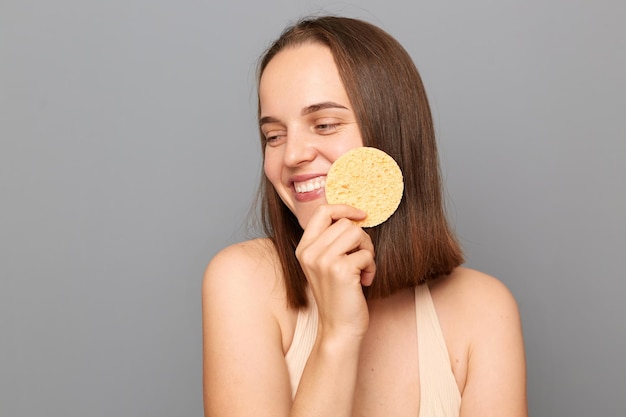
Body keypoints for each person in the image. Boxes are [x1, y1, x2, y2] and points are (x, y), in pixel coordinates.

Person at [202, 15, 527, 417]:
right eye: (274, 135)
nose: (292, 155)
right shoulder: (242, 281)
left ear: (389, 133)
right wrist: (337, 336)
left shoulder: (484, 309)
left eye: (323, 124)